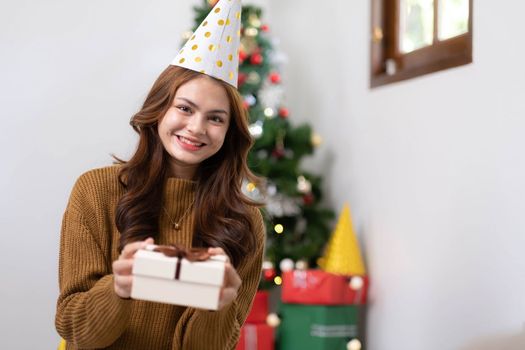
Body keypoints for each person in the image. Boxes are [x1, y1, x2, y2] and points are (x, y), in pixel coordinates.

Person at [55, 1, 266, 348]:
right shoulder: (96, 191)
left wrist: (220, 304)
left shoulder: (244, 221)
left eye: (216, 118)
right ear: (158, 110)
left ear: (229, 132)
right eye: (184, 108)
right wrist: (119, 290)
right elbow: (74, 329)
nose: (196, 128)